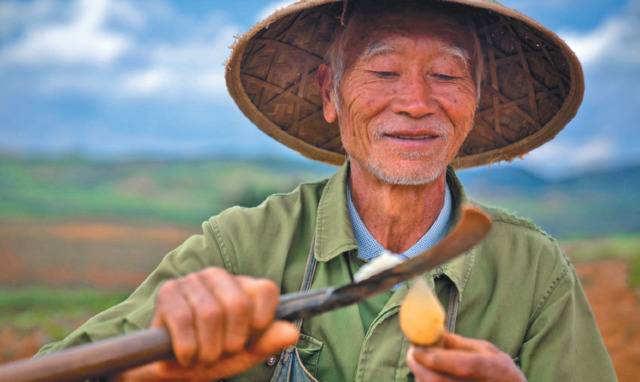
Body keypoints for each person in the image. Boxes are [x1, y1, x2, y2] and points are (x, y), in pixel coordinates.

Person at [38, 1, 617, 381]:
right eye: (384, 72)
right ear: (330, 93)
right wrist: (151, 369)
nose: (416, 102)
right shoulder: (243, 247)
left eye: (445, 75)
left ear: (475, 101)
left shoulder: (533, 270)